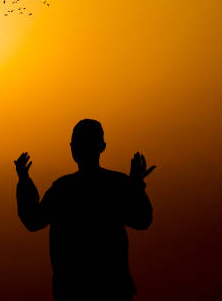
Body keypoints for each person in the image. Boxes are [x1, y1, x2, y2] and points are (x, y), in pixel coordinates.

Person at [14, 119, 155, 301]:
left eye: (77, 143)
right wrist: (135, 185)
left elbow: (33, 221)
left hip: (74, 290)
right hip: (111, 289)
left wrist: (24, 181)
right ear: (102, 146)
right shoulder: (116, 185)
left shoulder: (63, 189)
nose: (74, 147)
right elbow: (142, 220)